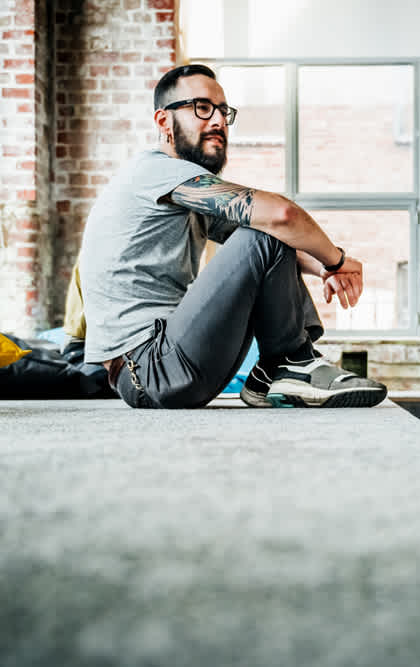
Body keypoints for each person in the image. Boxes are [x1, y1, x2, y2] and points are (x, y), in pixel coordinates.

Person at [79, 63, 387, 409]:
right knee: (266, 225)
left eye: (223, 112)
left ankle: (276, 372)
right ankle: (291, 364)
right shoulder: (154, 172)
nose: (218, 121)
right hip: (150, 368)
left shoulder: (181, 192)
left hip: (173, 362)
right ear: (163, 122)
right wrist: (338, 259)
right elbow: (281, 216)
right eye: (202, 108)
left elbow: (267, 247)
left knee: (263, 230)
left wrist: (323, 269)